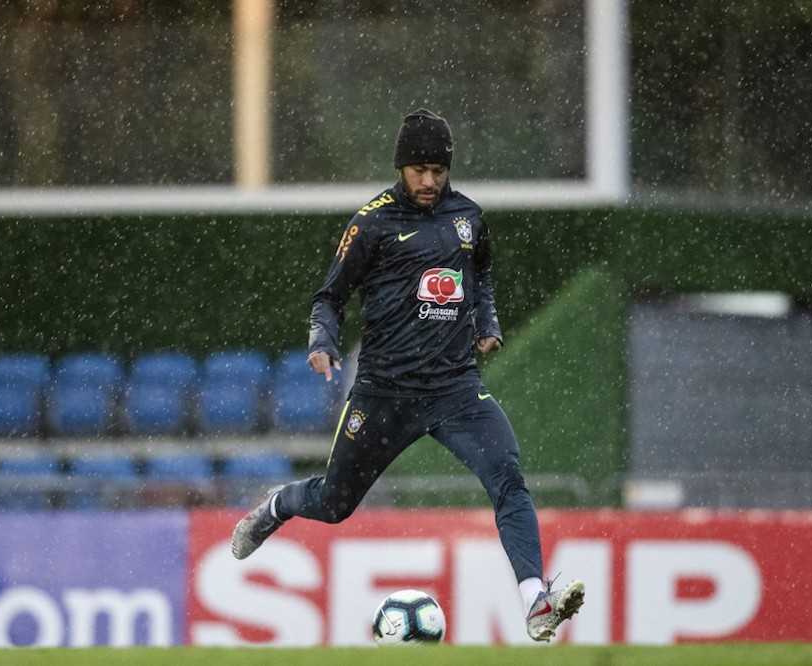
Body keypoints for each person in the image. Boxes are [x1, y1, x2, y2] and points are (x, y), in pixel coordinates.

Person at [231, 108, 584, 642]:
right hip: (384, 394)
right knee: (333, 503)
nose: (429, 181)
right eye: (419, 170)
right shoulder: (371, 222)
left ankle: (535, 602)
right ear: (401, 168)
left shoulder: (468, 217)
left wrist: (487, 320)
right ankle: (277, 506)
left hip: (455, 389)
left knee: (508, 478)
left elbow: (481, 272)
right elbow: (330, 296)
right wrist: (321, 342)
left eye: (439, 171)